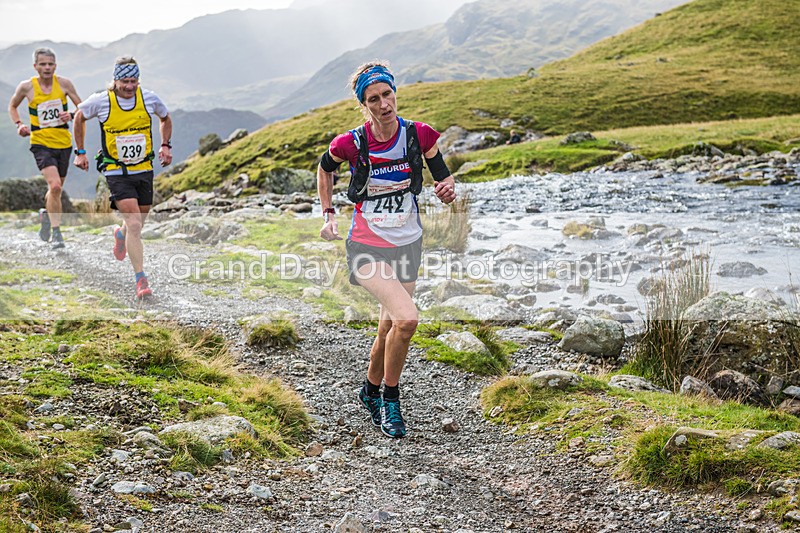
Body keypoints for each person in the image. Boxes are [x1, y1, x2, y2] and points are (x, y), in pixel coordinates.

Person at [316, 61, 457, 438]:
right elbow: (325, 168)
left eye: (387, 94)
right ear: (364, 105)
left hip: (408, 242)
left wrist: (447, 189)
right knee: (407, 320)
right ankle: (390, 399)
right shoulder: (351, 143)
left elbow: (443, 176)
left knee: (389, 324)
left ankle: (369, 390)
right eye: (374, 99)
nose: (383, 104)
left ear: (395, 93)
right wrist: (328, 214)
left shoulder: (419, 135)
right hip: (366, 244)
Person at [73, 56, 172, 299]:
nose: (129, 86)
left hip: (144, 168)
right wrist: (80, 152)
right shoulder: (101, 101)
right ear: (115, 80)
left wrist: (165, 145)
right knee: (135, 225)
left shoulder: (148, 98)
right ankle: (141, 280)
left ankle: (120, 234)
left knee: (137, 223)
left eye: (134, 81)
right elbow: (78, 116)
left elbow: (165, 117)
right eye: (125, 81)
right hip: (116, 171)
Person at [8, 47, 82, 249]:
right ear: (35, 66)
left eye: (50, 64)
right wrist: (19, 125)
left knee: (55, 190)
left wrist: (72, 115)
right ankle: (57, 233)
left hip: (63, 142)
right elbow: (12, 106)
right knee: (55, 186)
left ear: (55, 66)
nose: (47, 68)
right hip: (40, 142)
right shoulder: (27, 87)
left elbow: (81, 107)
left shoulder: (64, 84)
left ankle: (46, 216)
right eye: (43, 64)